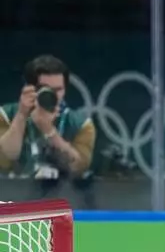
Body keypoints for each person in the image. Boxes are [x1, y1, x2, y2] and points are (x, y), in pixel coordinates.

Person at [0, 55, 95, 188]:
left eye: (58, 90)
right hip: (11, 197)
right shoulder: (5, 115)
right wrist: (21, 115)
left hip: (61, 198)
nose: (53, 96)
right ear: (30, 88)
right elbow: (4, 160)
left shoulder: (82, 124)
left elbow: (79, 166)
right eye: (46, 89)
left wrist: (49, 130)